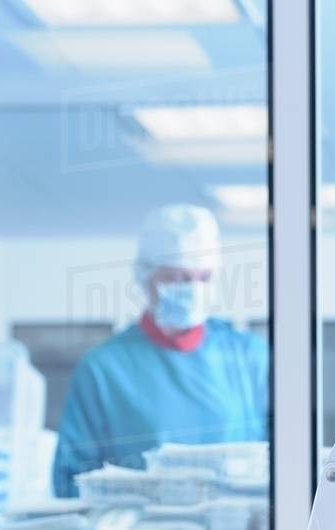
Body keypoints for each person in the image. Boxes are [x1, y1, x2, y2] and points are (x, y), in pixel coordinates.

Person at [52, 204, 268, 497]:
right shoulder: (103, 369)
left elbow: (282, 461)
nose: (192, 289)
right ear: (146, 277)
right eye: (177, 278)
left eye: (203, 278)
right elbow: (73, 480)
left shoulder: (248, 357)